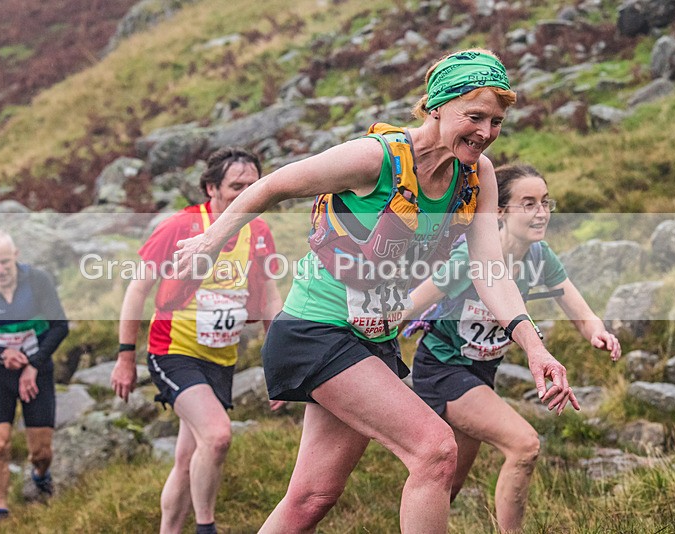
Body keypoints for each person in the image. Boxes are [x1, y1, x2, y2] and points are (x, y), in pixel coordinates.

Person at [171, 49, 579, 533]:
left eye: (496, 121)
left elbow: (488, 267)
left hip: (373, 338)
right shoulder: (376, 159)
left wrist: (534, 347)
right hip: (316, 330)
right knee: (435, 449)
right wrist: (212, 239)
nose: (486, 133)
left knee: (312, 497)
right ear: (436, 106)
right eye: (474, 116)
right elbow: (275, 185)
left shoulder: (477, 175)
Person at [407, 163, 621, 532]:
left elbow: (579, 310)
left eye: (546, 202)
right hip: (442, 368)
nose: (542, 212)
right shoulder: (468, 258)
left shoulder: (539, 258)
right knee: (523, 445)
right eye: (529, 203)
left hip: (480, 374)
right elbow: (411, 304)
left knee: (446, 483)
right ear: (500, 211)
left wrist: (597, 333)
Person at [111, 147, 284, 534]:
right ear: (211, 188)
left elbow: (272, 298)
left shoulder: (258, 231)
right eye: (236, 186)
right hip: (173, 350)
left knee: (188, 457)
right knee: (218, 436)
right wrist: (125, 357)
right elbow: (137, 290)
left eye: (254, 186)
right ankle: (206, 527)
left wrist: (279, 365)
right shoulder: (180, 227)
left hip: (220, 357)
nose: (247, 194)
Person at [0, 229, 68, 521]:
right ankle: (0, 508)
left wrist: (33, 364)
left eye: (5, 263)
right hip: (0, 375)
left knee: (41, 450)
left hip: (38, 371)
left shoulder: (38, 281)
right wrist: (1, 354)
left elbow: (60, 327)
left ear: (16, 256)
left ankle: (40, 475)